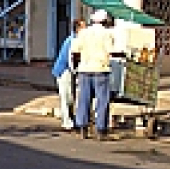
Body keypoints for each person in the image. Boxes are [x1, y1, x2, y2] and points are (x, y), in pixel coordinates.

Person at [72, 10, 120, 140]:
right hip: (101, 69)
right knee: (102, 100)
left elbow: (75, 50)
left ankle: (82, 126)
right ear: (105, 21)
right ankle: (100, 129)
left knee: (84, 99)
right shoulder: (107, 34)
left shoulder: (83, 33)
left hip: (85, 69)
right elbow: (111, 51)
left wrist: (76, 67)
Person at [51, 19, 84, 131]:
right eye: (83, 27)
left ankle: (70, 120)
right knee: (66, 97)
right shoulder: (73, 40)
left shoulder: (75, 39)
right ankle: (66, 122)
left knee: (70, 97)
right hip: (63, 71)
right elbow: (70, 58)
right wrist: (75, 71)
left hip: (67, 70)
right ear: (78, 28)